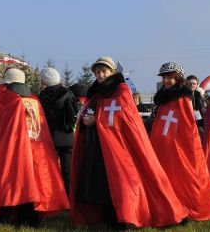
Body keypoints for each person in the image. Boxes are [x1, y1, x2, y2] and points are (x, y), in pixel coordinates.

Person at [71, 56, 187, 228]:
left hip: (121, 147)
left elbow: (124, 118)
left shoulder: (122, 91)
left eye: (104, 71)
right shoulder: (96, 92)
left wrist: (97, 119)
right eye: (97, 72)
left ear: (112, 72)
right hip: (98, 146)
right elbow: (90, 113)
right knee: (101, 183)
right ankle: (107, 218)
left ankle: (125, 218)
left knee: (122, 183)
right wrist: (86, 120)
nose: (100, 75)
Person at [0, 67, 70, 226]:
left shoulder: (5, 98)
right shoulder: (34, 99)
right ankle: (30, 220)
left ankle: (5, 220)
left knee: (9, 181)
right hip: (35, 149)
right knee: (30, 182)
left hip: (11, 149)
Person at [150, 62, 210, 221]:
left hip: (177, 146)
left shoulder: (182, 97)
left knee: (180, 177)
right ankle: (166, 207)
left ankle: (183, 209)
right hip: (161, 143)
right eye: (164, 77)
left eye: (170, 77)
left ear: (178, 78)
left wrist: (183, 144)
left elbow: (187, 125)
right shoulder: (162, 98)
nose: (166, 80)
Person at [37, 66, 79, 193]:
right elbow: (74, 113)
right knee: (68, 171)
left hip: (50, 138)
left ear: (44, 81)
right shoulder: (69, 93)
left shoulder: (42, 97)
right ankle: (69, 197)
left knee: (50, 170)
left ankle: (54, 198)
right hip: (67, 137)